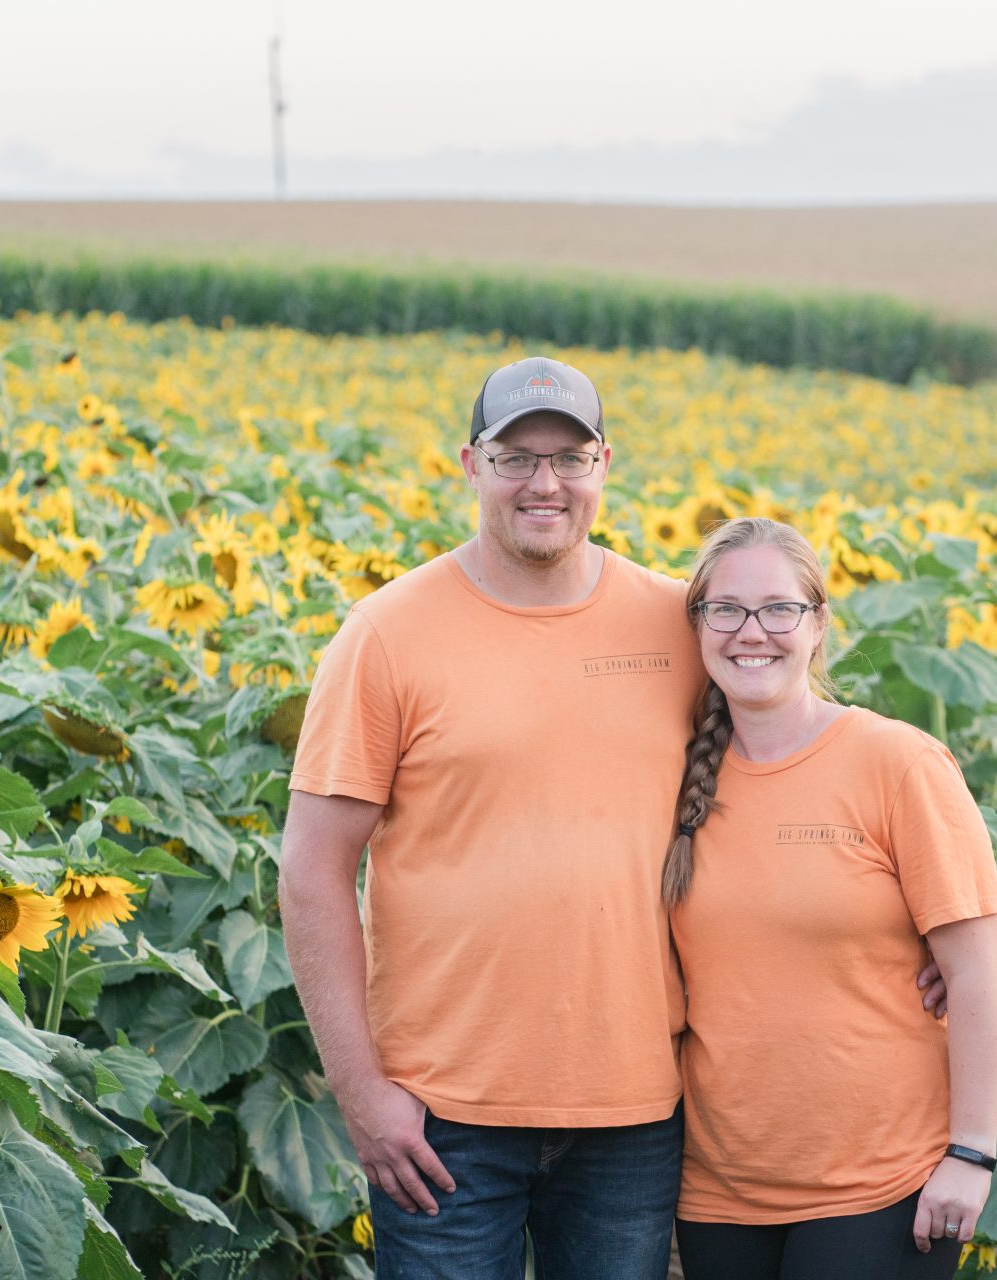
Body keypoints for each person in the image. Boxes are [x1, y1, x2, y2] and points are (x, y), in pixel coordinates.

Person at [278, 355, 704, 1280]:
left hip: (629, 1112)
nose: (544, 483)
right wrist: (361, 1095)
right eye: (517, 458)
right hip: (440, 1119)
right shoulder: (387, 635)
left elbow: (777, 784)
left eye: (569, 458)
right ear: (471, 465)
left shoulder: (679, 625)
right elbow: (313, 869)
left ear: (604, 466)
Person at [663, 517, 997, 1280]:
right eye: (725, 609)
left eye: (779, 608)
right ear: (697, 625)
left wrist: (971, 1154)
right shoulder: (673, 777)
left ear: (818, 624)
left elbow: (979, 973)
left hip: (882, 1184)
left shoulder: (897, 762)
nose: (752, 632)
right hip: (720, 1189)